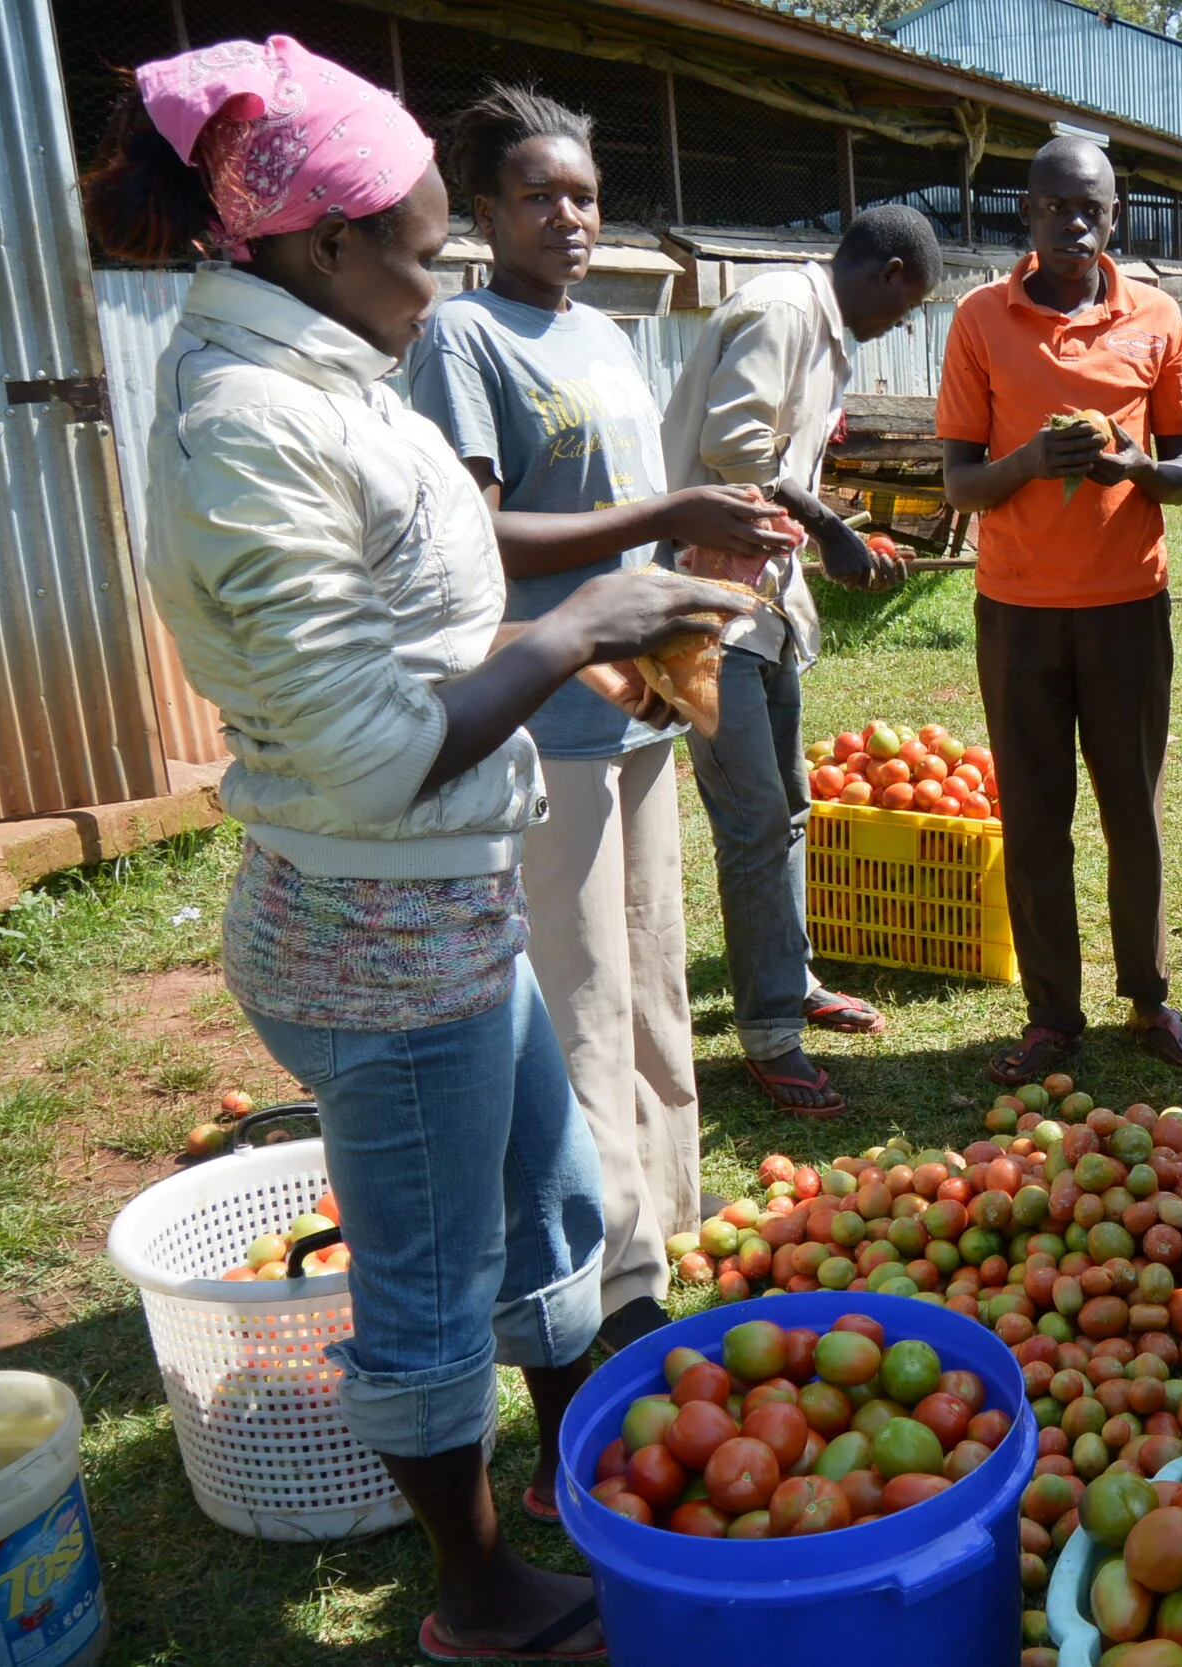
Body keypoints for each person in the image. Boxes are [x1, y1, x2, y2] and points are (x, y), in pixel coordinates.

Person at [83, 36, 749, 1658]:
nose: (444, 266)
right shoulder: (245, 426)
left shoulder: (325, 375)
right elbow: (378, 754)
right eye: (425, 237)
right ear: (320, 246)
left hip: (449, 907)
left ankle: (569, 1463)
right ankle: (476, 1596)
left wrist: (643, 535)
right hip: (377, 934)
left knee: (548, 1202)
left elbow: (456, 530)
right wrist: (579, 626)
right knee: (430, 1284)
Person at [406, 87, 791, 1363]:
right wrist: (658, 516)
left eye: (582, 194)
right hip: (548, 710)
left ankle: (667, 1222)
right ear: (483, 214)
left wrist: (712, 533)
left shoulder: (606, 334)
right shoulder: (463, 340)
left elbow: (633, 512)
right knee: (577, 997)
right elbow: (480, 533)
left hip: (641, 707)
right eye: (537, 197)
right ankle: (609, 1282)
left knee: (652, 982)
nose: (568, 217)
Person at [939, 136, 1182, 1084]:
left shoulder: (1158, 317)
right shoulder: (981, 318)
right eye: (1055, 206)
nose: (1072, 222)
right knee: (1035, 813)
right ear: (1028, 213)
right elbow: (962, 482)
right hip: (1017, 607)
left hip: (1127, 604)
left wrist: (1132, 467)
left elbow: (1181, 471)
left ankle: (1149, 995)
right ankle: (1053, 1013)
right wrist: (1030, 465)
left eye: (1089, 207)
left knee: (1132, 810)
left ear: (1114, 214)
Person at [657, 206, 942, 1114]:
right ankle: (771, 1036)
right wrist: (832, 528)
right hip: (706, 611)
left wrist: (819, 462)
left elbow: (775, 444)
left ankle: (793, 981)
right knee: (751, 820)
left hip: (765, 606)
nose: (900, 325)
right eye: (908, 307)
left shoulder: (819, 333)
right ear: (893, 272)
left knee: (787, 807)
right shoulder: (785, 309)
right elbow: (733, 450)